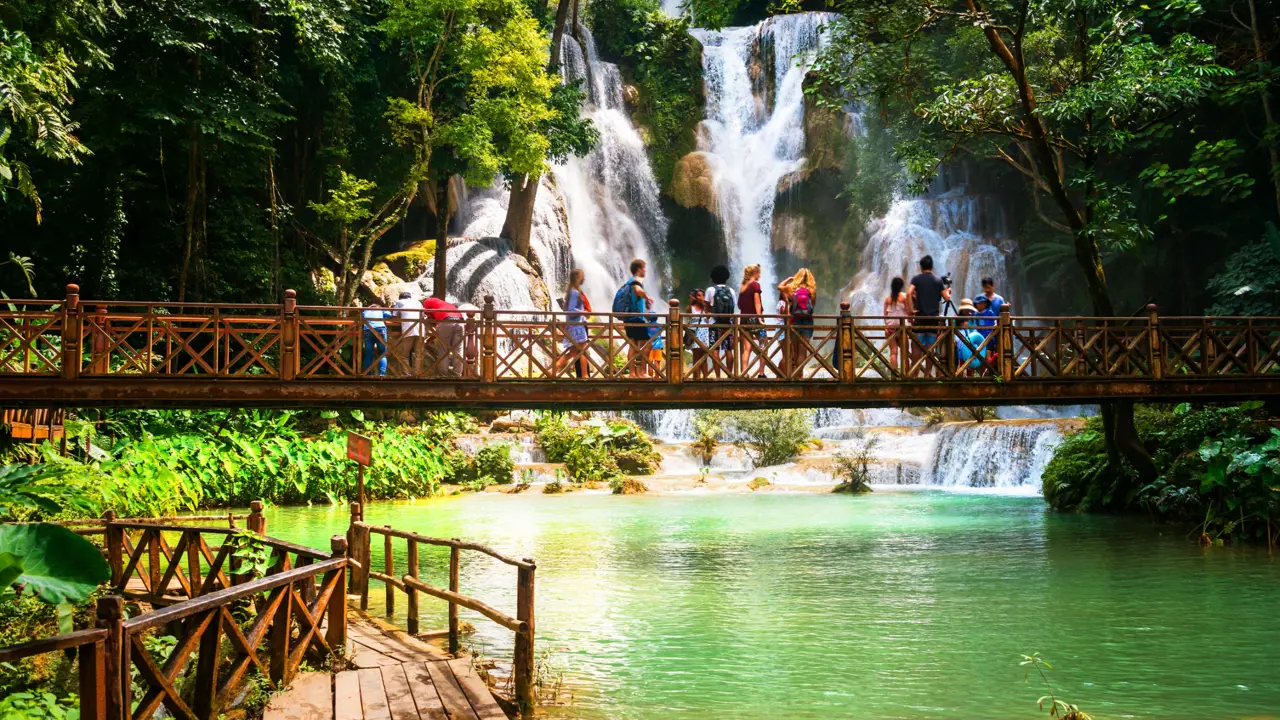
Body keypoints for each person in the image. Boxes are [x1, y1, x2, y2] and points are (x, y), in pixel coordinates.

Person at [907, 255, 950, 376]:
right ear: (932, 266)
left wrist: (911, 310)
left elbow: (909, 293)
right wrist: (948, 292)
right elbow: (946, 298)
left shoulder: (916, 279)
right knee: (930, 347)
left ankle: (914, 374)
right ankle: (927, 374)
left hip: (920, 318)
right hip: (933, 319)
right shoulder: (938, 280)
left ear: (921, 267)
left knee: (916, 347)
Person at [614, 258, 653, 378]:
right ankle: (642, 372)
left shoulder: (629, 281)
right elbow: (637, 290)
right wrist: (647, 298)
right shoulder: (637, 280)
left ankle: (632, 373)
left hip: (628, 317)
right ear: (639, 269)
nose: (646, 271)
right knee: (648, 344)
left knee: (633, 345)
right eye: (644, 268)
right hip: (636, 318)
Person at [705, 265, 736, 379]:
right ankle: (729, 375)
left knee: (715, 350)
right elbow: (733, 308)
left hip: (714, 324)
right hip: (728, 324)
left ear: (713, 278)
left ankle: (718, 376)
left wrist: (707, 317)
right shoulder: (731, 291)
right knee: (728, 350)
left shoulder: (710, 290)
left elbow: (707, 307)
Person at [559, 269, 590, 378]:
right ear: (578, 278)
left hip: (576, 326)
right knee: (580, 351)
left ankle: (552, 369)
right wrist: (583, 312)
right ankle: (585, 376)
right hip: (576, 327)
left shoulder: (572, 291)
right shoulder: (574, 292)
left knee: (576, 352)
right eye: (582, 276)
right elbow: (571, 310)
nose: (584, 278)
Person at [422, 296, 465, 376]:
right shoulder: (444, 303)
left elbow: (429, 318)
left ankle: (443, 375)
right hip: (460, 321)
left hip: (446, 320)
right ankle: (457, 374)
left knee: (443, 350)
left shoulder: (427, 302)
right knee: (458, 350)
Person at [787, 268, 817, 375]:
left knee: (794, 350)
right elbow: (812, 305)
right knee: (802, 350)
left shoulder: (792, 289)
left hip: (794, 321)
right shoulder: (812, 291)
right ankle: (800, 375)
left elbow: (780, 288)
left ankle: (795, 375)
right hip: (807, 322)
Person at [737, 264, 764, 378]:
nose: (760, 275)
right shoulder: (755, 285)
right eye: (759, 272)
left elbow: (739, 305)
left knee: (746, 348)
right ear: (755, 273)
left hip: (743, 320)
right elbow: (757, 302)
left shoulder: (743, 286)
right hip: (755, 320)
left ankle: (744, 372)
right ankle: (761, 373)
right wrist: (759, 318)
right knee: (763, 345)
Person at [391, 291, 425, 376]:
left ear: (401, 298)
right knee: (419, 354)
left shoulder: (399, 302)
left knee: (404, 354)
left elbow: (394, 316)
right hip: (421, 329)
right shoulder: (418, 302)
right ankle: (418, 374)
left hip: (408, 329)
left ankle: (406, 374)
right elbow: (422, 316)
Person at [954, 298, 987, 375]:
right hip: (959, 341)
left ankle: (970, 377)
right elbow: (952, 330)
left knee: (970, 360)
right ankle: (959, 376)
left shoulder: (971, 318)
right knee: (961, 360)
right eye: (966, 309)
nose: (968, 311)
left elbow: (974, 331)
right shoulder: (956, 318)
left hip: (969, 340)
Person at [883, 277, 910, 371]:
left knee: (893, 353)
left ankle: (894, 374)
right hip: (901, 328)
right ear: (901, 286)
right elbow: (908, 311)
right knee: (905, 353)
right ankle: (906, 374)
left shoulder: (887, 299)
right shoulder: (904, 297)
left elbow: (885, 316)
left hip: (890, 328)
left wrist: (886, 327)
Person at [360, 300, 391, 376]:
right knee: (382, 353)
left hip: (368, 330)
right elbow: (389, 314)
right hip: (380, 329)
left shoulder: (365, 311)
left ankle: (367, 374)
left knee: (368, 353)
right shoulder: (380, 310)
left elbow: (362, 317)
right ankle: (382, 374)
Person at [687, 290, 712, 379]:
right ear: (695, 297)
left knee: (704, 356)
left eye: (702, 295)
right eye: (698, 295)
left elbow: (709, 317)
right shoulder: (691, 307)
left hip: (704, 332)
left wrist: (704, 305)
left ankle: (705, 377)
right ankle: (696, 377)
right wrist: (691, 302)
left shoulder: (705, 307)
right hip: (695, 333)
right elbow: (688, 315)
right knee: (696, 355)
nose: (700, 297)